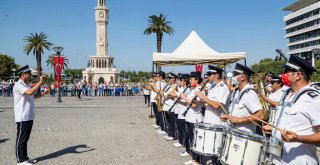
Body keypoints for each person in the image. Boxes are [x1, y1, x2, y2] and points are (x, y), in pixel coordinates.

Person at [262, 55, 320, 165]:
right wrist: (273, 130)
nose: (282, 75)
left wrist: (298, 138)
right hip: (278, 160)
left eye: (286, 71)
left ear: (298, 75)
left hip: (299, 161)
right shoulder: (287, 94)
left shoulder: (313, 98)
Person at [13, 65, 49, 165]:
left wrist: (43, 93)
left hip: (29, 115)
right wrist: (40, 82)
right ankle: (20, 161)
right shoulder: (18, 85)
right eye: (28, 74)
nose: (30, 75)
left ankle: (25, 158)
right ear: (23, 74)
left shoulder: (26, 85)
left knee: (25, 139)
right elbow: (29, 93)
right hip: (22, 116)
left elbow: (33, 96)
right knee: (21, 139)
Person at [195, 65, 230, 164]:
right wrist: (198, 102)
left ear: (217, 75)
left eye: (210, 74)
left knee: (218, 153)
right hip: (210, 122)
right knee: (212, 152)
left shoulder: (223, 88)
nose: (207, 77)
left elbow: (216, 105)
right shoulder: (213, 87)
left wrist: (202, 96)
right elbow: (208, 104)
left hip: (218, 124)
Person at [220, 63, 265, 134]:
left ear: (243, 77)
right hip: (233, 133)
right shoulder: (237, 91)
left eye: (235, 74)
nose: (233, 77)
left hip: (243, 137)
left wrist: (239, 120)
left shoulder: (249, 94)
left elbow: (261, 115)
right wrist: (228, 117)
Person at [180, 71, 204, 165]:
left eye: (191, 79)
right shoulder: (192, 89)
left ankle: (198, 160)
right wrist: (181, 100)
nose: (189, 81)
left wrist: (185, 97)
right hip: (189, 117)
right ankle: (194, 158)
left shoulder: (199, 90)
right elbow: (188, 103)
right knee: (191, 139)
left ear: (197, 80)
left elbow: (194, 105)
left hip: (195, 118)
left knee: (196, 140)